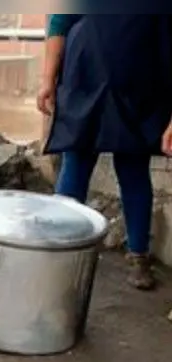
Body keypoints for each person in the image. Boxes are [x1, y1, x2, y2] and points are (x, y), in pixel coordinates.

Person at [38, 14, 172, 290]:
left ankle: (138, 255)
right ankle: (59, 247)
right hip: (85, 75)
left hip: (139, 83)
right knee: (76, 161)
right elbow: (59, 23)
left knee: (133, 168)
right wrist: (47, 79)